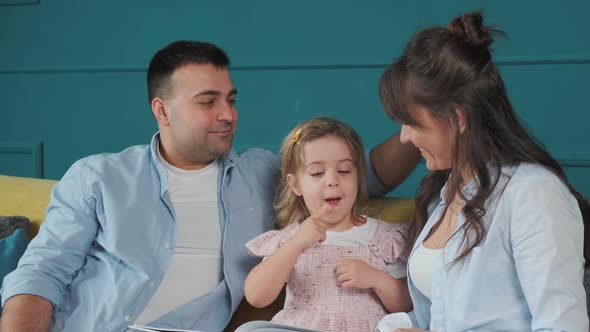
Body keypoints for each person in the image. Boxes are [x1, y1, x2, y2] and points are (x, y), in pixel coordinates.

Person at [0, 41, 420, 331]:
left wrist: (419, 123)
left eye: (231, 99)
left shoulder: (265, 174)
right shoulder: (99, 177)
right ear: (162, 112)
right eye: (208, 101)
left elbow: (364, 172)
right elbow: (41, 274)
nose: (227, 114)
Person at [377, 12, 590, 331]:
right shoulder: (445, 194)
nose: (405, 137)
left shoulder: (533, 194)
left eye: (411, 123)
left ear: (456, 119)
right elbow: (442, 317)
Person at [237, 118, 413, 332]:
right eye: (317, 173)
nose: (332, 180)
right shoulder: (291, 239)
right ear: (295, 184)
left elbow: (408, 304)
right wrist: (296, 244)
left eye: (345, 170)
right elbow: (256, 296)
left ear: (359, 177)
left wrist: (378, 279)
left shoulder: (383, 237)